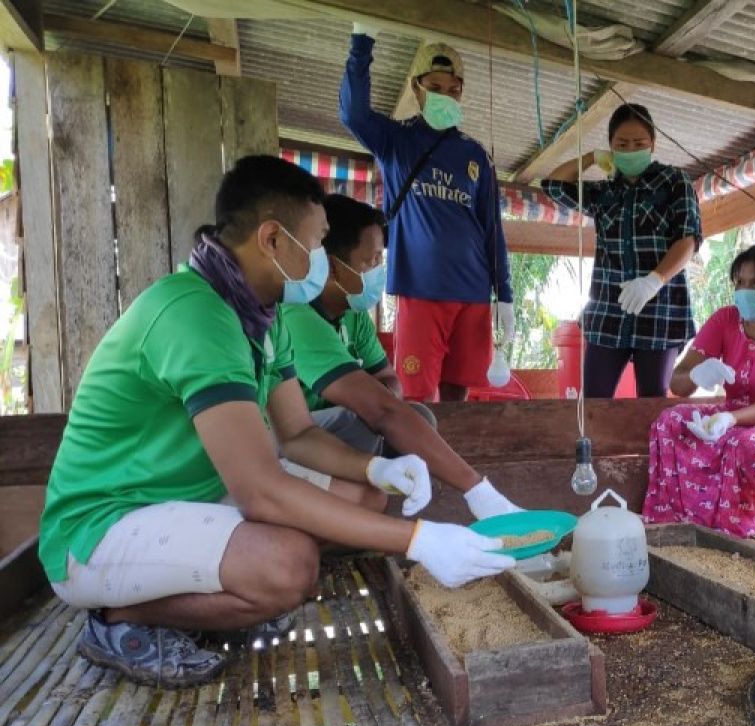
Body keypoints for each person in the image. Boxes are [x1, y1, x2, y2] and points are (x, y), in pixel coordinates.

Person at [38, 156, 515, 688]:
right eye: (315, 243)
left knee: (358, 497)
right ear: (271, 239)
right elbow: (261, 491)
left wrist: (376, 472)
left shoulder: (261, 318)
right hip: (100, 527)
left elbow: (299, 434)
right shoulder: (195, 315)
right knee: (288, 567)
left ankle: (217, 594)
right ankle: (115, 619)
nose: (320, 259)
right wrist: (418, 540)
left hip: (184, 497)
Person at [281, 193, 522, 519]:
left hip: (339, 431)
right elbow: (380, 408)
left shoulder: (352, 316)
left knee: (416, 417)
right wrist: (476, 487)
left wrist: (373, 399)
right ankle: (343, 502)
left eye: (381, 259)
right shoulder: (298, 317)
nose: (378, 270)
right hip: (291, 441)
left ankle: (367, 495)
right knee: (375, 422)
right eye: (370, 261)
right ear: (333, 265)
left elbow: (389, 381)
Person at [341, 26, 513, 401]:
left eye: (454, 90)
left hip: (473, 293)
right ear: (417, 89)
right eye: (435, 87)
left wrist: (506, 295)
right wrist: (361, 45)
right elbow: (353, 114)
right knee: (417, 396)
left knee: (458, 393)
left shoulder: (477, 156)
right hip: (420, 290)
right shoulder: (396, 141)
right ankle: (418, 460)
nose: (445, 96)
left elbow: (492, 230)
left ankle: (449, 459)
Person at [642, 240, 755, 537]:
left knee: (745, 444)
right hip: (737, 413)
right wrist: (698, 375)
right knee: (669, 422)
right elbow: (677, 383)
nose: (745, 290)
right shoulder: (725, 319)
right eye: (740, 282)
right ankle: (683, 514)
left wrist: (730, 420)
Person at [542, 103, 702, 398]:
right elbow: (553, 185)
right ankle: (593, 447)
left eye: (639, 144)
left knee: (651, 404)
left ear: (653, 144)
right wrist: (591, 157)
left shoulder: (675, 181)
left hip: (660, 312)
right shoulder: (604, 192)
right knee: (593, 403)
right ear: (611, 147)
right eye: (622, 144)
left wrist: (653, 281)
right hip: (607, 313)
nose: (631, 150)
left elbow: (688, 240)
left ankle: (649, 448)